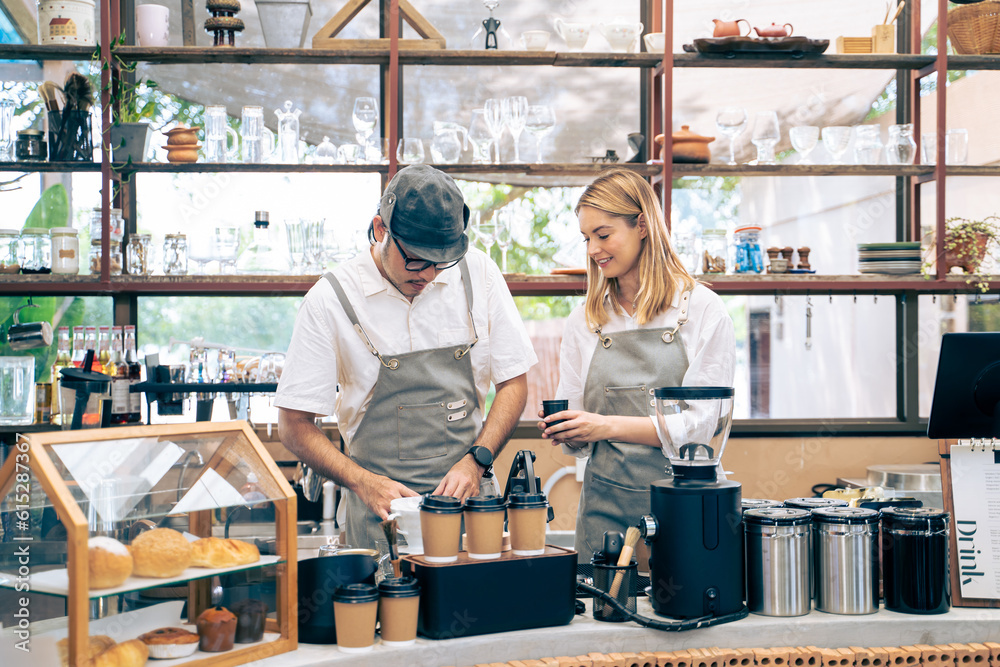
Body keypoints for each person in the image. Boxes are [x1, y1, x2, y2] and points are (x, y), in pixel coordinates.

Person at [277, 165, 537, 549]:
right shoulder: (330, 300)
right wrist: (363, 482)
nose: (429, 274)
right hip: (379, 517)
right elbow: (294, 425)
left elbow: (513, 382)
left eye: (441, 261)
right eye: (415, 259)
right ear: (380, 230)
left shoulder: (478, 274)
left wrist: (476, 461)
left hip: (470, 510)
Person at [536, 169, 735, 561]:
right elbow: (577, 429)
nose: (593, 249)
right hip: (603, 515)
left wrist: (605, 425)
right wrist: (570, 431)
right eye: (586, 238)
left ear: (642, 224)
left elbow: (700, 427)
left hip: (686, 508)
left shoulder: (700, 309)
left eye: (604, 234)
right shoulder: (585, 321)